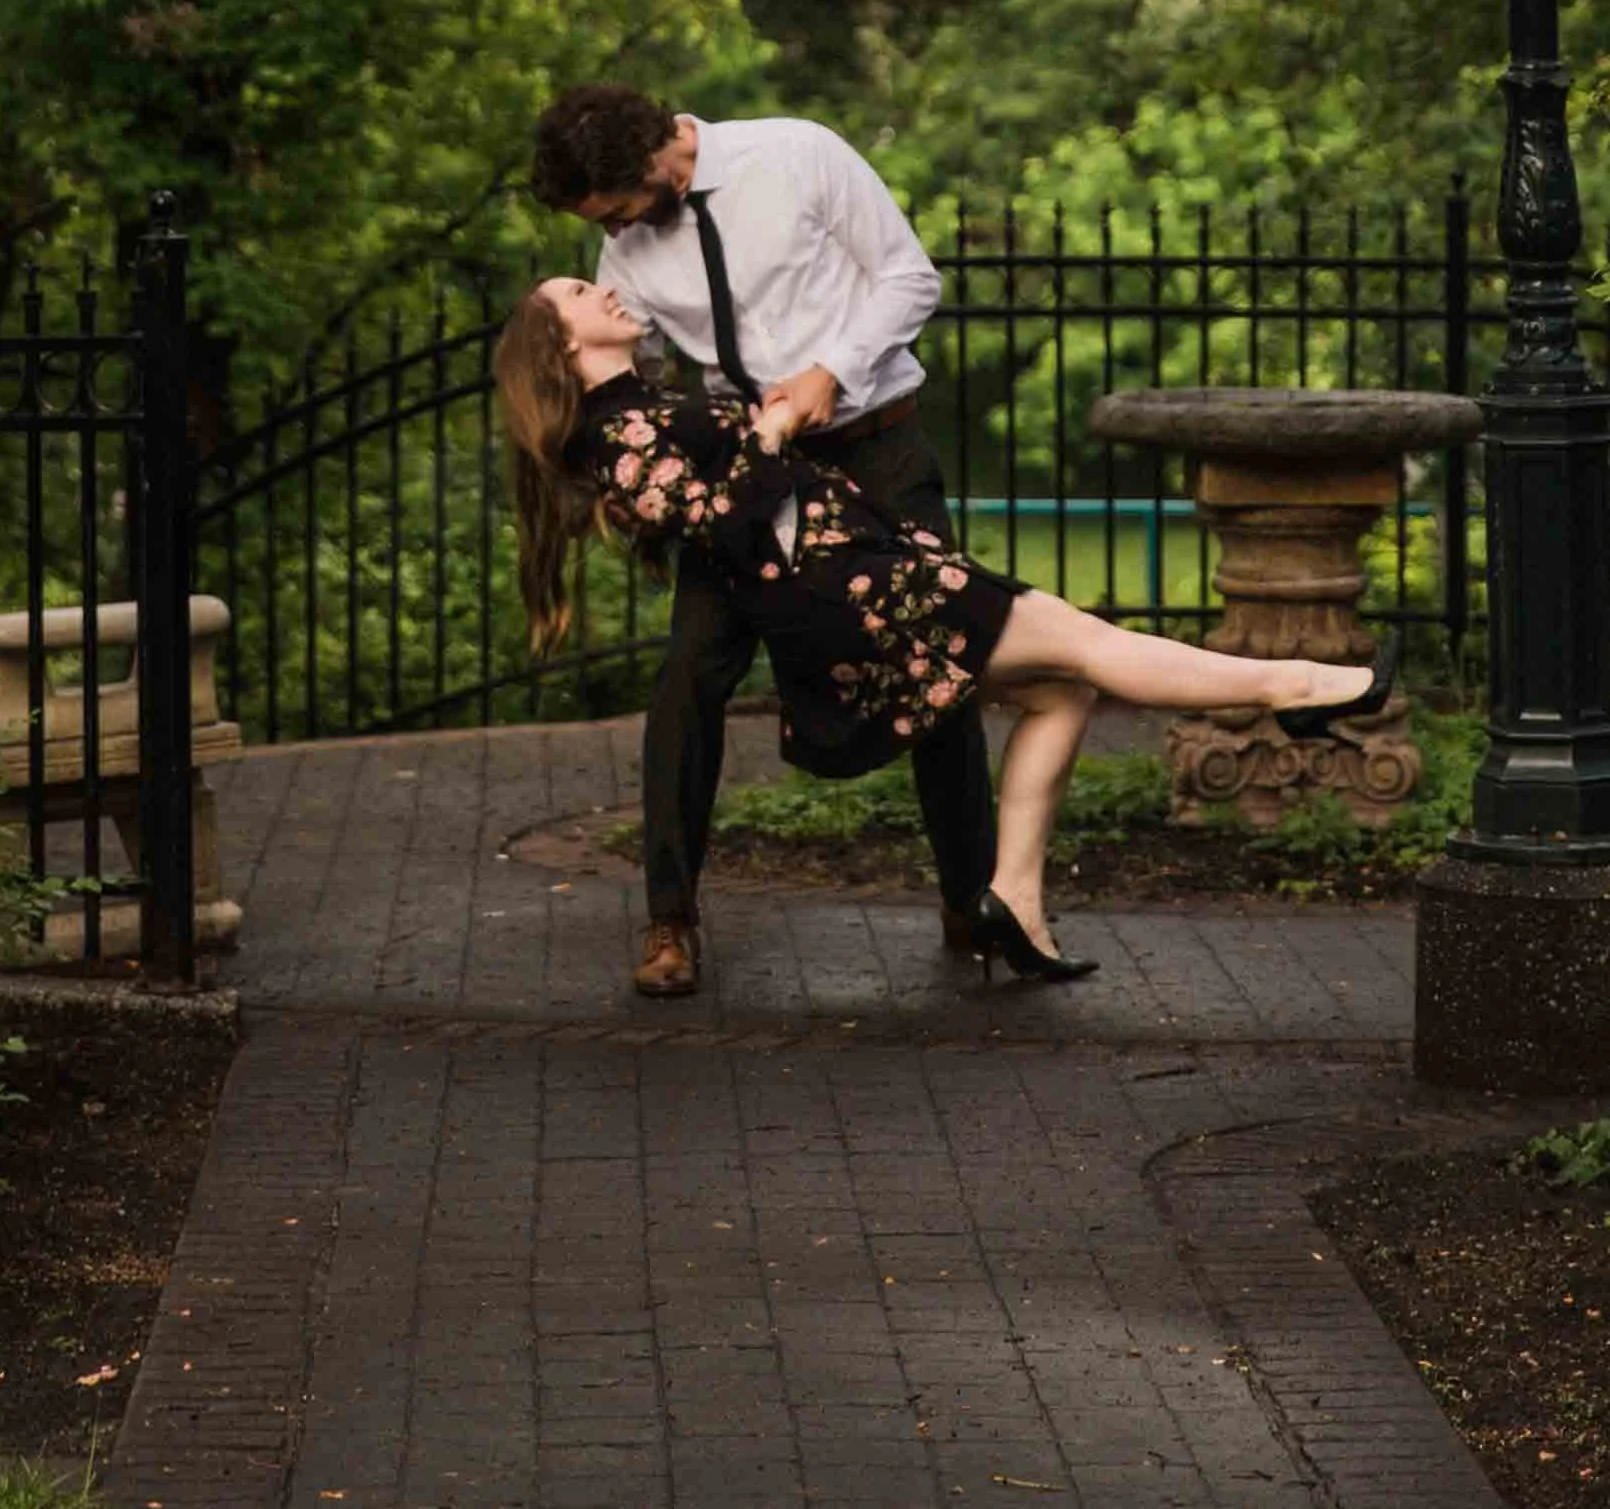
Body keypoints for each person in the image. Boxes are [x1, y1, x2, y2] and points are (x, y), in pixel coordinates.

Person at [495, 270, 1397, 990]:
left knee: (1063, 689)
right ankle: (1301, 686)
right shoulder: (613, 438)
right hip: (851, 593)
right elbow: (723, 525)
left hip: (869, 573)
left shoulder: (646, 408)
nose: (605, 289)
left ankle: (1016, 902)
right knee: (1087, 644)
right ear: (565, 345)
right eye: (579, 292)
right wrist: (769, 433)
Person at [526, 81, 991, 1000]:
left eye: (616, 208)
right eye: (600, 222)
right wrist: (629, 474)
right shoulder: (624, 245)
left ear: (656, 157)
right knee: (690, 677)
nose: (613, 233)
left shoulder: (798, 153)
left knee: (945, 662)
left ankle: (972, 902)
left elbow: (910, 277)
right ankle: (670, 919)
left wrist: (832, 370)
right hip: (749, 482)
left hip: (877, 446)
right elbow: (632, 366)